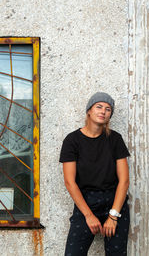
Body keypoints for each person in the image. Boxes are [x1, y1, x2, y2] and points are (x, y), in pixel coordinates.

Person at [59, 92, 130, 256]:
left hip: (115, 202)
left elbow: (124, 181)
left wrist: (113, 216)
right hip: (86, 201)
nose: (103, 111)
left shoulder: (115, 139)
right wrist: (89, 215)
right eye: (99, 106)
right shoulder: (72, 141)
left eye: (108, 109)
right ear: (89, 111)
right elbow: (70, 182)